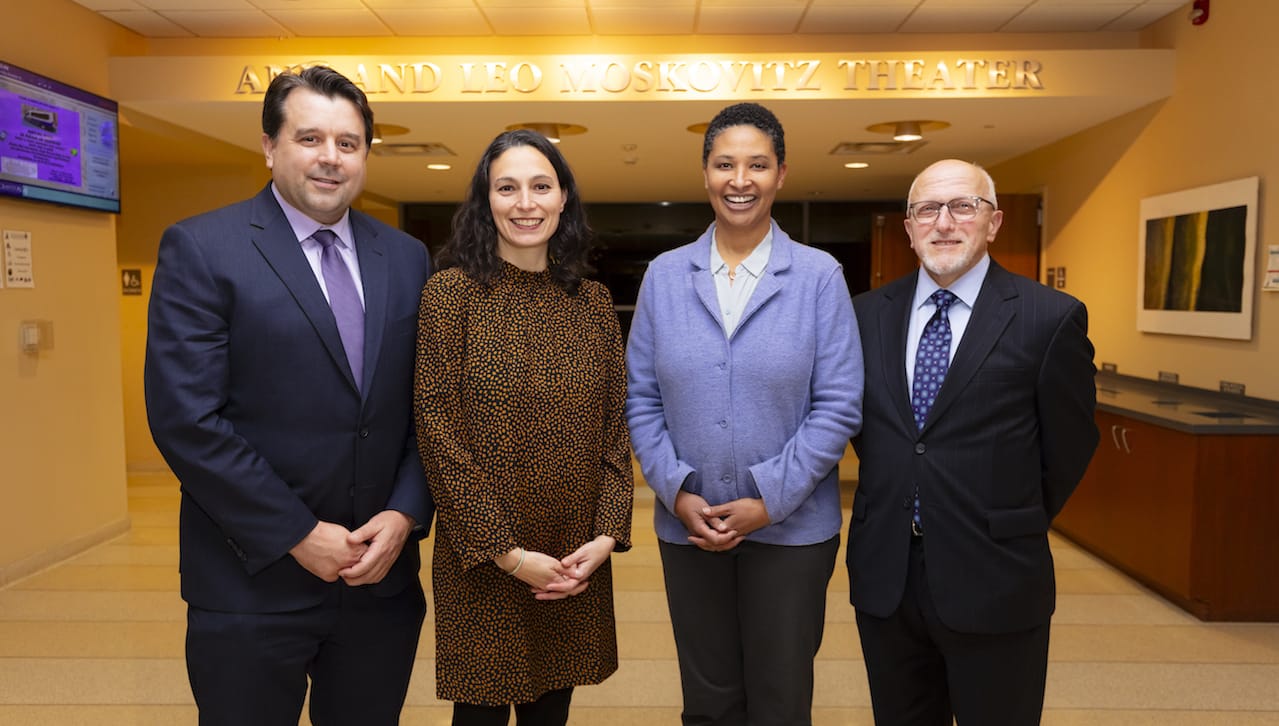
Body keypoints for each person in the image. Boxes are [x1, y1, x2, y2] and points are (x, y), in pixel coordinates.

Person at [144, 66, 432, 725]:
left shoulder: (408, 256)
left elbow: (428, 405)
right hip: (250, 584)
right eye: (309, 138)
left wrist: (405, 513)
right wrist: (299, 533)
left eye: (349, 142)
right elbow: (187, 420)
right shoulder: (203, 247)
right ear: (270, 147)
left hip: (378, 585)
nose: (330, 157)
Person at [626, 102, 864, 725]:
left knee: (780, 701)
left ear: (781, 174)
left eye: (757, 164)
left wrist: (767, 497)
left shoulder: (818, 277)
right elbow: (641, 399)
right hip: (689, 528)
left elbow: (838, 405)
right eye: (725, 164)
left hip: (791, 534)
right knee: (708, 702)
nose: (741, 179)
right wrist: (676, 493)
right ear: (705, 173)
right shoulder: (664, 277)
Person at [847, 158, 1100, 725]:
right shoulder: (863, 317)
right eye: (927, 210)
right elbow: (877, 435)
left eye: (963, 206)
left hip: (997, 576)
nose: (944, 223)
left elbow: (1070, 446)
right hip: (888, 576)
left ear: (994, 222)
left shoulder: (1048, 318)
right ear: (908, 228)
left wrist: (1007, 515)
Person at [414, 129, 633, 726]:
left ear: (564, 199)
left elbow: (615, 430)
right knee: (478, 715)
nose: (525, 203)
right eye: (506, 188)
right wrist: (508, 555)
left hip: (570, 557)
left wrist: (605, 539)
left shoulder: (591, 304)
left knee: (550, 713)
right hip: (483, 557)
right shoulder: (450, 296)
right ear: (486, 202)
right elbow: (438, 434)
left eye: (541, 186)